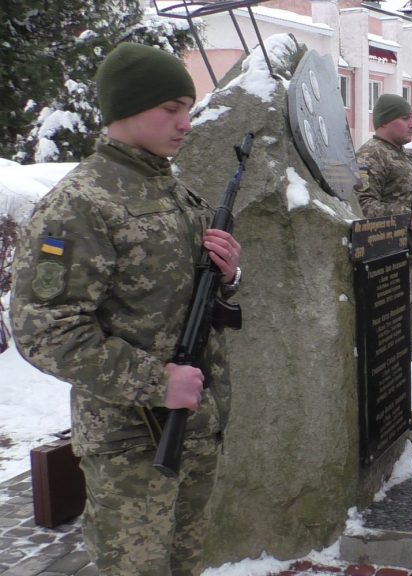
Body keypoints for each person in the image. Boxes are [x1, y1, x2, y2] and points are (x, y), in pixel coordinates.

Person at [10, 42, 243, 574]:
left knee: (186, 563)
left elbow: (190, 295)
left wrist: (229, 274)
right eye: (171, 109)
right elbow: (44, 331)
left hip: (196, 426)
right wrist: (155, 381)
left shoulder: (173, 190)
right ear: (127, 109)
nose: (185, 122)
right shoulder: (81, 202)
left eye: (188, 108)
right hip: (131, 442)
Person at [355, 93, 412, 430]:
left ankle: (399, 405)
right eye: (405, 117)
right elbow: (361, 206)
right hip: (389, 267)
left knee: (408, 341)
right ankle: (384, 410)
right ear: (385, 121)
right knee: (389, 344)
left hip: (411, 265)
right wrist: (403, 217)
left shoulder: (403, 157)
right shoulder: (371, 155)